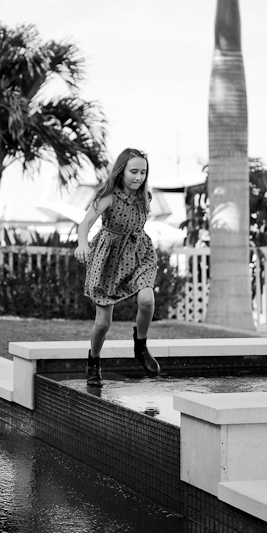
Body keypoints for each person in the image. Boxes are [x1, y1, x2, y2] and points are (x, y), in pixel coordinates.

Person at [75, 148, 160, 389]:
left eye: (143, 172)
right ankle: (93, 361)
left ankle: (140, 346)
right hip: (109, 259)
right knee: (103, 324)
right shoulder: (109, 196)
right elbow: (84, 225)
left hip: (139, 254)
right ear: (121, 171)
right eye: (134, 171)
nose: (139, 177)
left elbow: (136, 225)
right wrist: (82, 244)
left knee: (147, 299)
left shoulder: (146, 197)